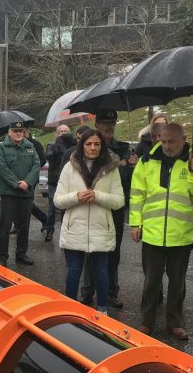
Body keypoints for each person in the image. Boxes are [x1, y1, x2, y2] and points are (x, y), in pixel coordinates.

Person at [130, 123, 193, 340]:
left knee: (178, 282)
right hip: (153, 234)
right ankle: (147, 321)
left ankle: (175, 322)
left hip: (182, 234)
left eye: (171, 141)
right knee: (151, 282)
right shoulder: (147, 161)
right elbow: (137, 194)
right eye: (162, 141)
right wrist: (135, 223)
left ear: (184, 139)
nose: (166, 146)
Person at [54, 130, 125, 312]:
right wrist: (77, 196)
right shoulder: (70, 167)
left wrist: (98, 196)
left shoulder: (111, 168)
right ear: (81, 145)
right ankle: (69, 309)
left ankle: (102, 311)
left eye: (97, 144)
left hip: (101, 229)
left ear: (102, 146)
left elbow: (119, 201)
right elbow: (58, 200)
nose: (92, 148)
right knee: (73, 271)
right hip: (74, 228)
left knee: (101, 272)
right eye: (88, 144)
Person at [79, 108, 136, 310]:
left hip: (115, 206)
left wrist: (126, 165)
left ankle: (112, 292)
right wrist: (118, 164)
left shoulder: (125, 149)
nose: (109, 127)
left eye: (112, 124)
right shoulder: (90, 147)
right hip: (93, 206)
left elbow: (128, 181)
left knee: (113, 250)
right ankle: (87, 291)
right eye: (105, 124)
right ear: (97, 125)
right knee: (90, 248)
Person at [0, 121, 40, 266]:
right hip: (9, 193)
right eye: (15, 131)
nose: (19, 133)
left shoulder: (30, 146)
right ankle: (2, 256)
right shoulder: (2, 147)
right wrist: (16, 183)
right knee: (5, 225)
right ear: (9, 132)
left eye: (21, 131)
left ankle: (21, 254)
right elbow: (2, 169)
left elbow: (36, 165)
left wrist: (27, 182)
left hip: (26, 192)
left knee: (24, 226)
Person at [44, 124, 76, 242]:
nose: (63, 133)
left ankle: (66, 232)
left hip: (68, 181)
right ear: (57, 133)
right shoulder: (52, 145)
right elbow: (48, 157)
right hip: (54, 181)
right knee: (52, 206)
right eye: (61, 131)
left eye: (65, 131)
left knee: (67, 207)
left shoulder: (73, 146)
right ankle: (49, 229)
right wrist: (58, 145)